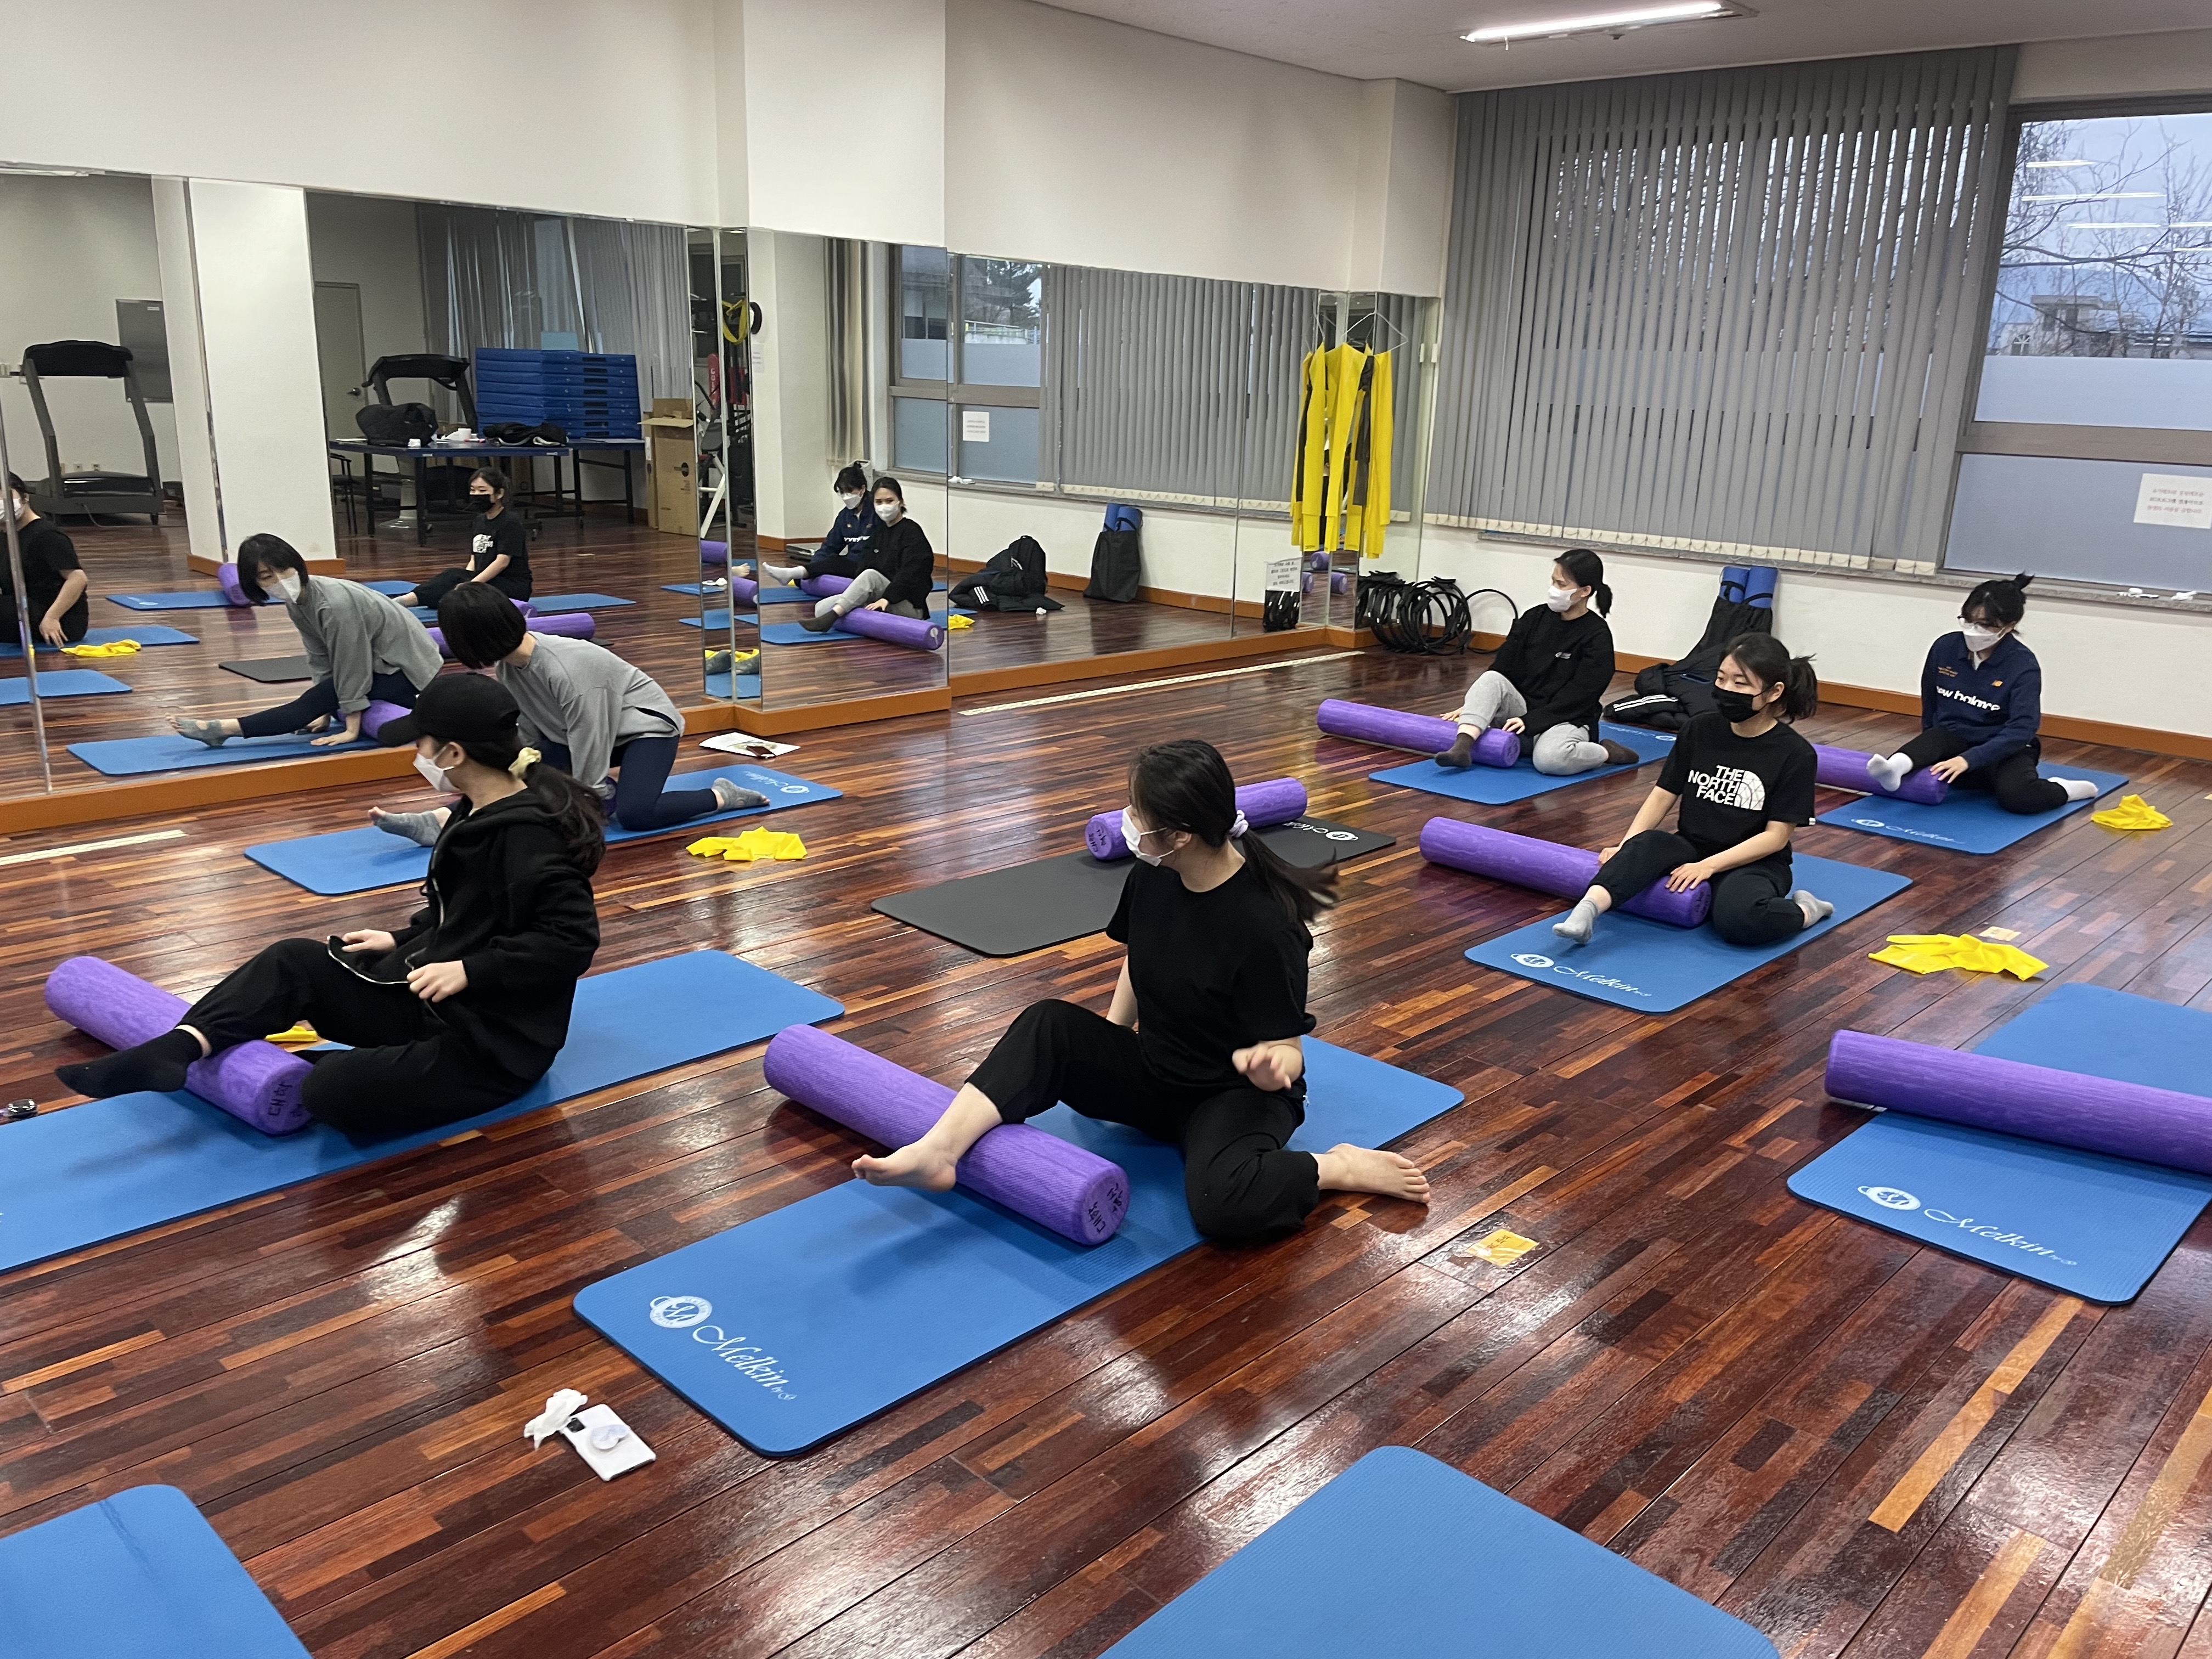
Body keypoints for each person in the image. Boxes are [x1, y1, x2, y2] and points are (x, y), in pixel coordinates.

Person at [854, 738, 1430, 1241]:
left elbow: (1287, 1051)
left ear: (1179, 835)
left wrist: (1269, 1068)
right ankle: (939, 1151)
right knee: (1048, 1022)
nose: (1126, 820)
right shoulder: (1154, 875)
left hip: (1232, 1095)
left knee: (1222, 1206)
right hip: (1158, 1074)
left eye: (1137, 812)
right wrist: (1107, 1046)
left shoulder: (1266, 928)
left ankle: (1338, 1167)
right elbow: (1140, 956)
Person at [59, 675, 603, 1135]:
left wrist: (470, 969)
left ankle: (340, 1068)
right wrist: (402, 938)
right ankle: (177, 1048)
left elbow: (571, 940)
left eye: (423, 744)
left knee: (330, 1092)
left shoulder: (530, 836)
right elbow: (465, 910)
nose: (419, 755)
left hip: (491, 1045)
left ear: (454, 754)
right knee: (293, 959)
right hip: (431, 1000)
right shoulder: (476, 808)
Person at [371, 582, 768, 844]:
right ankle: (441, 820)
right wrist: (516, 768)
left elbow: (590, 732)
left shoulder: (569, 667)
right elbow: (528, 730)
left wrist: (590, 793)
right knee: (523, 774)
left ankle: (722, 796)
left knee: (635, 814)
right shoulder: (509, 667)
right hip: (577, 734)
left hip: (645, 730)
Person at [1553, 633, 1831, 949]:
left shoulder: (1796, 754)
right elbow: (1663, 794)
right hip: (1691, 845)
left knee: (1740, 919)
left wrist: (1708, 866)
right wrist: (1626, 846)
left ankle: (1806, 910)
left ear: (1774, 692)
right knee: (1643, 846)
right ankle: (1585, 913)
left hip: (1754, 862)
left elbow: (1776, 837)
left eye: (1740, 684)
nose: (1726, 689)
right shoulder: (1700, 728)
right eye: (1721, 679)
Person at [172, 534, 439, 749]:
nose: (280, 581)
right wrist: (326, 711)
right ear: (254, 583)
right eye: (266, 577)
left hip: (409, 673)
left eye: (283, 570)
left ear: (296, 565)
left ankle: (224, 729)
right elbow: (320, 656)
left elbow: (352, 663)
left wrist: (351, 729)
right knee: (321, 697)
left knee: (317, 699)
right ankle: (224, 729)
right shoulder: (298, 601)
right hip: (380, 664)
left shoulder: (333, 604)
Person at [1864, 572, 2101, 814]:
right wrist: (1932, 753)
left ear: (2009, 626)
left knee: (2017, 797)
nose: (1974, 630)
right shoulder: (1945, 647)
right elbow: (1931, 705)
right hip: (1955, 740)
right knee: (1937, 738)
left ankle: (2064, 788)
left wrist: (1968, 760)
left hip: (2004, 748)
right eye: (1968, 621)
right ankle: (1895, 767)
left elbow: (2022, 729)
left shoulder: (2023, 665)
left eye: (1986, 625)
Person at [1436, 548, 1637, 774]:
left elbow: (1581, 695)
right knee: (1490, 679)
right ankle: (1462, 748)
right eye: (1553, 581)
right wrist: (1476, 705)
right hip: (1523, 709)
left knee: (1550, 761)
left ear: (1585, 591)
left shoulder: (1597, 635)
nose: (1554, 589)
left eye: (1561, 584)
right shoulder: (1534, 617)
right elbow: (1502, 668)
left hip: (1566, 717)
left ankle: (1607, 752)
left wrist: (1533, 721)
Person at [799, 474, 934, 633]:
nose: (884, 506)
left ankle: (834, 616)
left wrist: (887, 598)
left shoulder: (911, 532)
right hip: (878, 597)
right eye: (879, 502)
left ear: (901, 502)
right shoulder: (879, 533)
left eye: (889, 501)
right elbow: (863, 565)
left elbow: (912, 573)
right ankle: (843, 613)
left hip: (906, 603)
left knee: (871, 576)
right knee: (821, 608)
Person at [390, 469, 532, 608]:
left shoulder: (510, 522)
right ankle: (406, 601)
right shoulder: (479, 521)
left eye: (482, 491)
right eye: (473, 490)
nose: (477, 495)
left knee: (453, 576)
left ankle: (401, 603)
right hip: (486, 581)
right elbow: (474, 559)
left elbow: (502, 562)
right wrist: (467, 578)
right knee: (453, 583)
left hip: (512, 586)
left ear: (499, 493)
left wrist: (470, 584)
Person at [1, 472, 89, 646]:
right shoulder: (5, 534)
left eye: (6, 497)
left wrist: (52, 617)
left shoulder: (47, 535)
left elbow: (78, 579)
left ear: (25, 498)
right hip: (24, 606)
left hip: (58, 618)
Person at [760, 462, 879, 585]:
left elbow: (866, 551)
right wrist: (814, 566)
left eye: (849, 491)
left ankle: (798, 573)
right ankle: (800, 574)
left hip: (869, 565)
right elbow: (830, 546)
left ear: (862, 489)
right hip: (851, 564)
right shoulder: (844, 516)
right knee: (811, 573)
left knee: (834, 562)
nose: (846, 496)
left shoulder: (876, 512)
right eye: (842, 492)